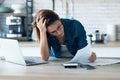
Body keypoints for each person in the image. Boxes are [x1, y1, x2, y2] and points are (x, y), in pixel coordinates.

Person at [32, 9, 96, 62]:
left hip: (76, 62)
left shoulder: (75, 25)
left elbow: (83, 50)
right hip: (56, 63)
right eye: (53, 32)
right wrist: (42, 32)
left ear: (59, 20)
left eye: (59, 27)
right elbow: (44, 58)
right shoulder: (45, 32)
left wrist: (90, 55)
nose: (59, 32)